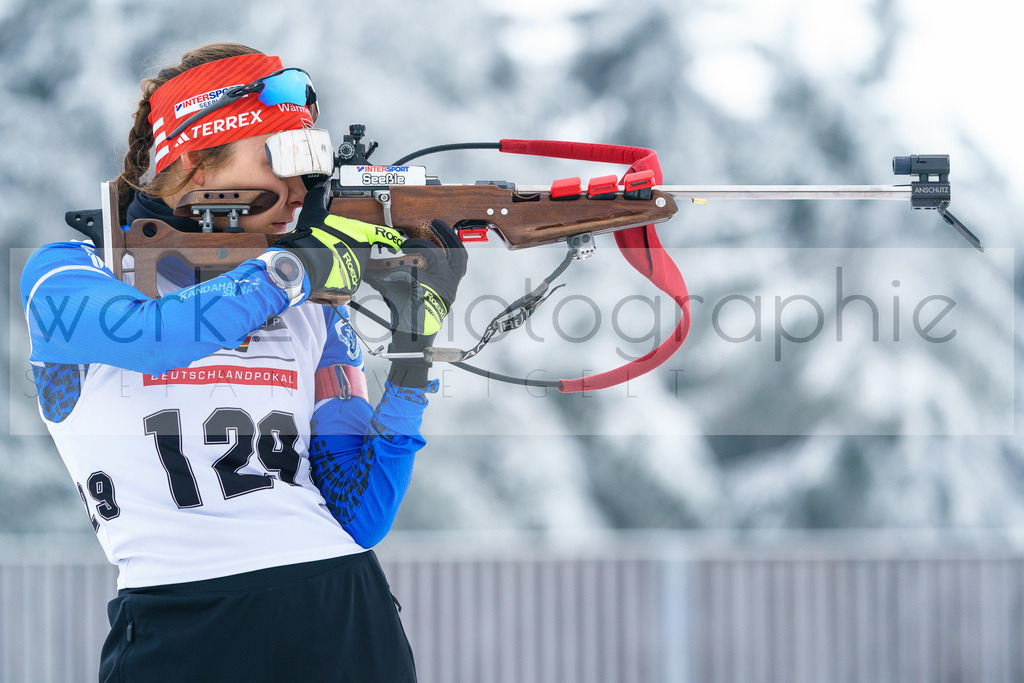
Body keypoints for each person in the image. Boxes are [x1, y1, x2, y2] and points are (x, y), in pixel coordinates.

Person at [19, 43, 466, 682]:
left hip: (341, 614)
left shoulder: (308, 301)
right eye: (278, 157)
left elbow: (358, 511)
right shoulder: (70, 272)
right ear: (198, 162)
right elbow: (153, 335)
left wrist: (413, 353)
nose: (301, 190)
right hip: (179, 625)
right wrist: (297, 268)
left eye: (311, 161)